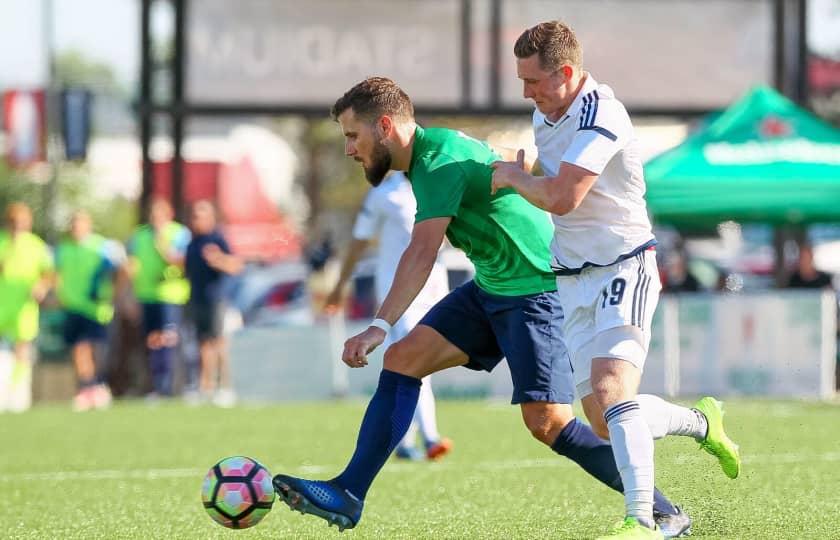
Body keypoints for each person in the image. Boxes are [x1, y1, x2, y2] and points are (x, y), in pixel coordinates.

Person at [271, 77, 687, 535]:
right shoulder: (436, 152)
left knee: (549, 423)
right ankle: (349, 493)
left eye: (353, 135)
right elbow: (496, 162)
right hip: (494, 287)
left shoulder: (437, 162)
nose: (350, 149)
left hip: (536, 290)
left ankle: (663, 512)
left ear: (385, 126)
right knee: (403, 360)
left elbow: (422, 251)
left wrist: (377, 324)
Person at [491, 21, 741, 538]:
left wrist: (514, 179)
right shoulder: (547, 111)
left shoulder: (601, 110)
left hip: (625, 266)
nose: (526, 93)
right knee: (607, 419)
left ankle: (643, 521)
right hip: (573, 278)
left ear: (565, 72)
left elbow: (563, 197)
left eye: (533, 81)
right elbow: (558, 176)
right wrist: (530, 167)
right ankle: (701, 422)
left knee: (610, 389)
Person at [324, 170, 453, 461]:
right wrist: (339, 286)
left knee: (415, 367)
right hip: (399, 296)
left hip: (435, 293)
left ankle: (405, 442)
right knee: (414, 364)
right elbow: (359, 241)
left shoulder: (438, 182)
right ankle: (430, 438)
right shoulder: (386, 194)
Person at [55, 210, 125, 411]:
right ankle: (86, 388)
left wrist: (114, 295)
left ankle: (99, 385)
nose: (76, 228)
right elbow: (56, 272)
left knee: (97, 350)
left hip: (98, 308)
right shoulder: (64, 248)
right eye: (73, 224)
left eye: (80, 224)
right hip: (74, 306)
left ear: (88, 225)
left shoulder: (103, 247)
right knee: (79, 348)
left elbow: (124, 269)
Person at [128, 198, 191, 397]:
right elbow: (132, 264)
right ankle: (156, 385)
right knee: (152, 340)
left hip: (170, 296)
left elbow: (181, 262)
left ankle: (173, 385)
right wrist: (129, 293)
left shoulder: (179, 233)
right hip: (147, 295)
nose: (155, 219)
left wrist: (162, 245)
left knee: (169, 339)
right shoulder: (139, 236)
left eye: (159, 215)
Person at [185, 200, 243, 406]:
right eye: (194, 216)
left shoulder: (218, 239)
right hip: (197, 298)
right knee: (203, 344)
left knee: (218, 343)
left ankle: (225, 387)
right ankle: (205, 387)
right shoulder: (193, 242)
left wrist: (218, 259)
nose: (196, 221)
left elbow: (236, 266)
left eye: (199, 216)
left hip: (216, 298)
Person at [0, 202, 53, 412]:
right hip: (3, 306)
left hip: (24, 308)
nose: (18, 227)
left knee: (22, 349)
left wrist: (41, 286)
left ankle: (17, 393)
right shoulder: (2, 243)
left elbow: (49, 273)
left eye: (22, 222)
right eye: (14, 223)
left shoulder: (36, 245)